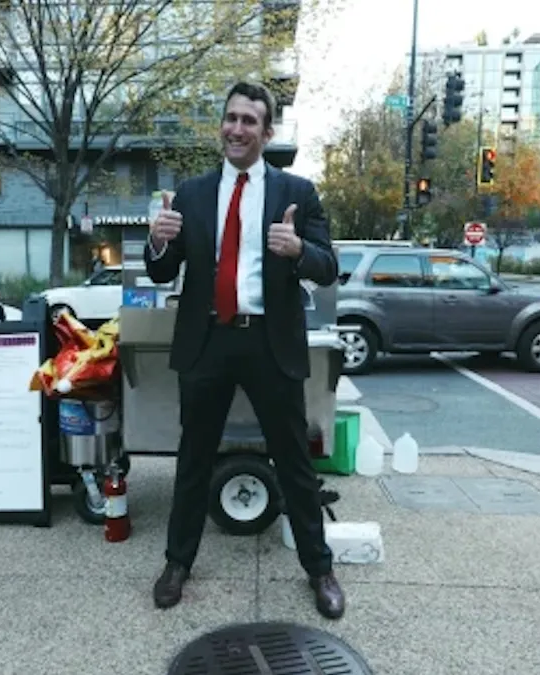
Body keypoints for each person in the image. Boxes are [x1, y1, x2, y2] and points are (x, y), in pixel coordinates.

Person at [144, 81, 344, 619]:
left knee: (294, 460)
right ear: (222, 126)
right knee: (193, 459)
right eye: (231, 118)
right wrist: (158, 240)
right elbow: (162, 269)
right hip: (207, 338)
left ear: (267, 131)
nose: (237, 129)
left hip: (268, 339)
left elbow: (329, 267)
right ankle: (177, 563)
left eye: (249, 121)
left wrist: (300, 249)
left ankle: (319, 568)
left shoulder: (296, 193)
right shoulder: (190, 194)